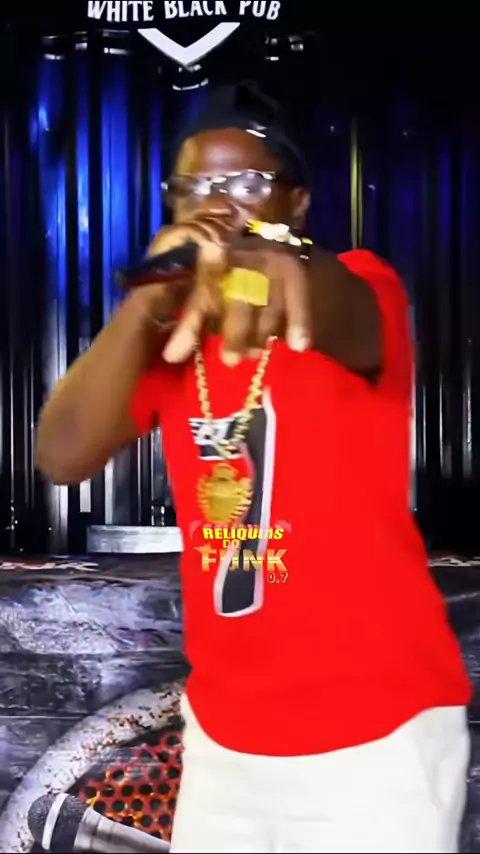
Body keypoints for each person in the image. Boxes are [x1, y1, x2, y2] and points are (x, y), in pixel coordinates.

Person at [36, 82, 472, 854]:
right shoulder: (172, 339)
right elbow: (62, 454)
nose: (217, 204)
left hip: (377, 740)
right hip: (225, 743)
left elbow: (331, 302)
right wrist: (145, 302)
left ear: (296, 203)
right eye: (193, 187)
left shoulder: (361, 285)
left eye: (245, 183)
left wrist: (273, 259)